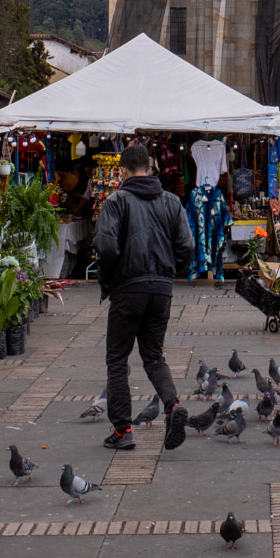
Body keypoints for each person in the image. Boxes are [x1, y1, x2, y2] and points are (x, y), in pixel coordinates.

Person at [95, 142, 195, 450]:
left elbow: (107, 247)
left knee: (116, 359)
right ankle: (172, 405)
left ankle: (123, 431)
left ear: (123, 171)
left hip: (129, 288)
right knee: (153, 356)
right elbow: (187, 247)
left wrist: (110, 279)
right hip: (161, 289)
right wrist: (170, 271)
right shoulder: (172, 201)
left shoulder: (116, 201)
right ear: (150, 169)